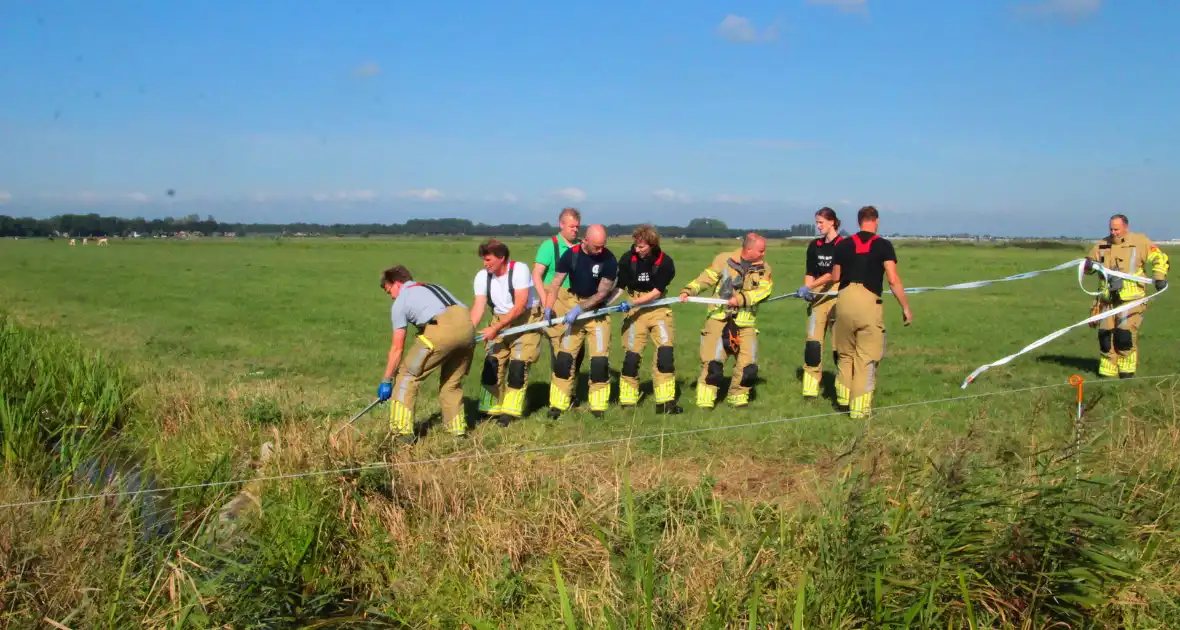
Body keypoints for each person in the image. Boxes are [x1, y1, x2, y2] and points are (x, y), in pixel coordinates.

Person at [830, 206, 913, 420]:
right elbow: (893, 279)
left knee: (845, 354)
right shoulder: (883, 245)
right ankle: (859, 410)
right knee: (866, 357)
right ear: (876, 221)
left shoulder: (844, 244)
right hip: (869, 302)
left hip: (844, 300)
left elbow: (835, 276)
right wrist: (905, 307)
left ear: (859, 222)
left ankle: (842, 400)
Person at [376, 265, 475, 443]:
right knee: (452, 383)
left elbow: (397, 348)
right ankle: (457, 433)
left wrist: (386, 380)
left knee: (406, 376)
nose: (391, 296)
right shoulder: (433, 287)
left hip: (440, 331)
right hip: (468, 330)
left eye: (389, 290)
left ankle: (401, 434)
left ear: (397, 283)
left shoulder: (401, 301)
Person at [679, 232, 773, 409]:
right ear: (749, 248)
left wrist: (741, 299)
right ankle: (705, 403)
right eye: (761, 250)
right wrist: (688, 291)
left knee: (749, 366)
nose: (763, 254)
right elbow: (706, 278)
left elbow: (765, 290)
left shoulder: (764, 268)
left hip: (746, 323)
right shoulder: (724, 259)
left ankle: (738, 398)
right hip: (719, 319)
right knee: (713, 364)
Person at [542, 224, 619, 418]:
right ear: (585, 241)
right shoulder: (571, 255)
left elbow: (602, 293)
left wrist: (580, 308)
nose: (600, 250)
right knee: (564, 359)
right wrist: (549, 308)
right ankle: (558, 405)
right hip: (573, 306)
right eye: (596, 246)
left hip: (597, 312)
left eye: (603, 245)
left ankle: (598, 406)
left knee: (599, 362)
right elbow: (556, 284)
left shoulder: (609, 259)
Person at [1083, 213, 1169, 378]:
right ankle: (1107, 373)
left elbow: (1160, 257)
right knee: (1105, 337)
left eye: (1117, 229)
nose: (1113, 232)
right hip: (1107, 301)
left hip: (1131, 301)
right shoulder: (1101, 245)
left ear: (1125, 227)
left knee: (1124, 337)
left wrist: (1159, 277)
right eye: (1111, 229)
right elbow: (1088, 266)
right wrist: (1088, 266)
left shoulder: (1140, 242)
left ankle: (1126, 373)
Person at [470, 239, 544, 425]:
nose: (484, 264)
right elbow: (478, 308)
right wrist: (467, 332)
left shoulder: (519, 270)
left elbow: (520, 306)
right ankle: (489, 409)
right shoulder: (482, 276)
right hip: (498, 319)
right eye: (483, 260)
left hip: (525, 321)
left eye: (488, 260)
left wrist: (496, 328)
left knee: (518, 366)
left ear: (501, 258)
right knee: (491, 364)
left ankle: (509, 413)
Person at [612, 224, 682, 414]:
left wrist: (635, 304)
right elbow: (620, 287)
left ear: (652, 245)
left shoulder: (665, 262)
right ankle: (628, 401)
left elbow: (656, 292)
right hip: (634, 310)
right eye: (636, 245)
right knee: (631, 357)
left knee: (665, 356)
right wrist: (603, 304)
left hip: (658, 308)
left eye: (641, 246)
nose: (637, 249)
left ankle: (666, 403)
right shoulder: (627, 259)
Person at [798, 208, 844, 399]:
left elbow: (834, 275)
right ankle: (810, 389)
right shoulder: (814, 245)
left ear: (832, 222)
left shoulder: (843, 245)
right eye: (817, 222)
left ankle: (843, 387)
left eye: (821, 222)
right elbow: (811, 271)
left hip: (837, 296)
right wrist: (807, 288)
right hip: (818, 298)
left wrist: (811, 287)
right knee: (813, 345)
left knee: (839, 347)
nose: (818, 226)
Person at [532, 207, 584, 368]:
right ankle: (560, 387)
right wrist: (544, 300)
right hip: (555, 298)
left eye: (577, 227)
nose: (575, 230)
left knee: (578, 345)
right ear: (561, 225)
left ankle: (571, 384)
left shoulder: (582, 246)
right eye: (571, 227)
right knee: (560, 347)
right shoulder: (549, 246)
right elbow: (536, 275)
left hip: (576, 299)